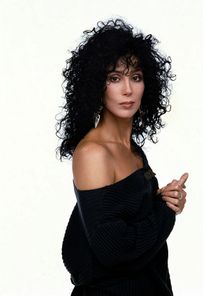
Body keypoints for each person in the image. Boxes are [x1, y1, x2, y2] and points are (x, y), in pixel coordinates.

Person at [56, 18, 188, 296]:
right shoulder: (93, 153)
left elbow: (124, 214)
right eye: (114, 78)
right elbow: (115, 251)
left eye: (136, 77)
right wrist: (165, 212)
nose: (127, 90)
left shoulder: (130, 148)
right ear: (96, 85)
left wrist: (165, 198)